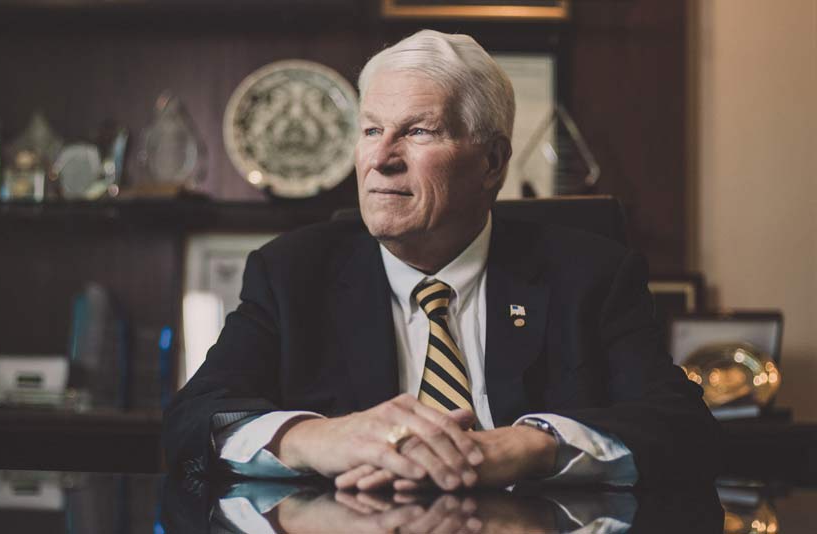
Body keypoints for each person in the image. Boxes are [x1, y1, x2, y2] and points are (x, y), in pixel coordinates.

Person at [163, 29, 721, 491]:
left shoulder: (590, 274)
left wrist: (529, 445)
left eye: (418, 132)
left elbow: (681, 425)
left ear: (493, 163)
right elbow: (193, 419)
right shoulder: (291, 273)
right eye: (372, 131)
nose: (380, 159)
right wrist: (316, 439)